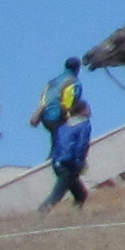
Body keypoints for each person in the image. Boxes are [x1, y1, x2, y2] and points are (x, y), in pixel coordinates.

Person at [36, 59, 94, 211]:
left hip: (46, 118)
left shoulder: (53, 81)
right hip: (60, 119)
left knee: (80, 193)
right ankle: (42, 212)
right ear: (78, 68)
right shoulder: (74, 82)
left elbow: (43, 98)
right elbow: (69, 102)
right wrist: (69, 115)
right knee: (58, 193)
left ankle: (76, 214)